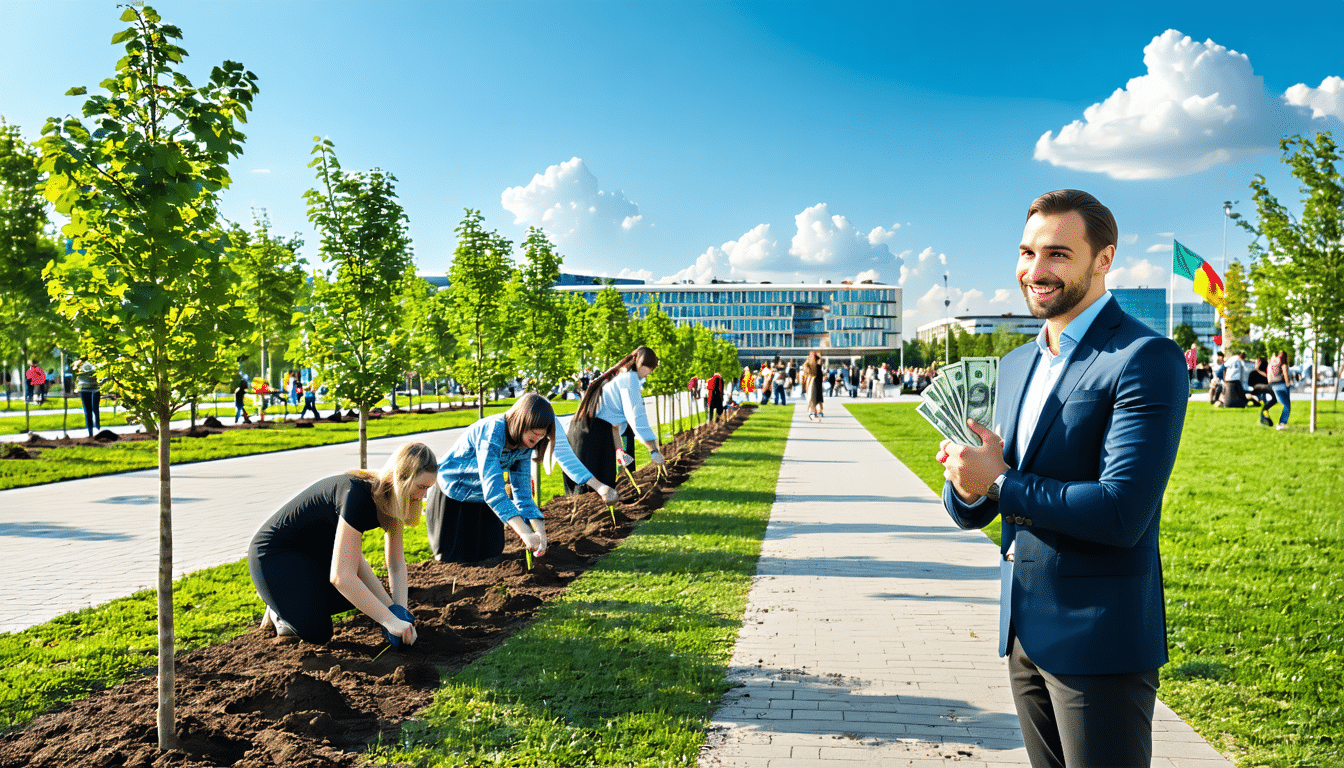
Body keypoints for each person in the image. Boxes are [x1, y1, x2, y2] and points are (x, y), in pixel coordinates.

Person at [937, 189, 1187, 767]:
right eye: (1027, 252)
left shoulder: (1144, 357)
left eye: (1057, 254)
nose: (1035, 271)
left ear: (1104, 259)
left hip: (1099, 638)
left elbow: (1121, 511)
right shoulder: (1016, 364)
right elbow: (979, 501)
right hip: (1023, 631)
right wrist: (967, 484)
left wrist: (998, 482)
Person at [249, 441, 437, 645]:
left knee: (362, 596)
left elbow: (395, 564)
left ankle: (290, 598)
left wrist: (399, 614)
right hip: (275, 553)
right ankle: (280, 605)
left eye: (428, 488)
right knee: (318, 633)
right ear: (403, 479)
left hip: (316, 552)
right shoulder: (358, 495)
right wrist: (388, 619)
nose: (424, 495)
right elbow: (342, 576)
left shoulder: (395, 502)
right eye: (421, 487)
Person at [431, 393, 617, 563]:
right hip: (454, 493)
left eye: (541, 435)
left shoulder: (524, 445)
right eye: (534, 433)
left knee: (491, 554)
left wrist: (540, 533)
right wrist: (525, 532)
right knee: (454, 562)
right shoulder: (493, 432)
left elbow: (523, 496)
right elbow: (494, 492)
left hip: (481, 496)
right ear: (520, 422)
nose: (537, 439)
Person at [73, 357, 104, 437]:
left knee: (94, 409)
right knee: (88, 411)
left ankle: (97, 426)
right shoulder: (78, 364)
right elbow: (73, 372)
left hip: (94, 388)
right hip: (85, 389)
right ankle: (91, 431)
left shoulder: (96, 362)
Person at [1266, 350, 1292, 430]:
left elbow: (1268, 374)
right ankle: (1282, 423)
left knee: (1286, 404)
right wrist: (1288, 384)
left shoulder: (1272, 363)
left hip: (1273, 385)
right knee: (1287, 405)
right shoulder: (1283, 364)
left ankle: (1282, 423)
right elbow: (1285, 375)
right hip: (1282, 386)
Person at [802, 351, 824, 421]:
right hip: (818, 383)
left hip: (811, 382)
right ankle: (819, 412)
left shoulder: (808, 366)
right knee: (818, 398)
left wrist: (808, 359)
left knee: (812, 398)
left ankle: (812, 412)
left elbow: (804, 369)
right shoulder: (818, 367)